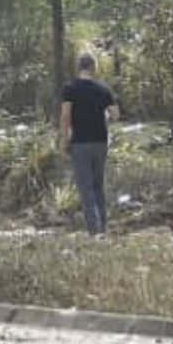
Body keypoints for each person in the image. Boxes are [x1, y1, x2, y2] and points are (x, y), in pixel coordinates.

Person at [58, 52, 118, 236]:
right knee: (98, 185)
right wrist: (103, 116)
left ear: (79, 67)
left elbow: (66, 115)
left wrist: (63, 138)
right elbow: (115, 115)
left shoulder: (70, 88)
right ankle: (103, 227)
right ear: (93, 67)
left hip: (80, 143)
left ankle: (94, 230)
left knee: (85, 187)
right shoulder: (103, 89)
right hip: (100, 142)